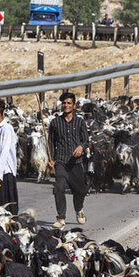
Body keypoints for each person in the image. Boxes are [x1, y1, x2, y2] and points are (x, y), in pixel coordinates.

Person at [48, 92, 89, 229]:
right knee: (59, 188)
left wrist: (81, 147)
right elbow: (50, 142)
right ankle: (60, 218)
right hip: (61, 162)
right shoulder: (55, 122)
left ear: (74, 105)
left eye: (69, 103)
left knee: (80, 191)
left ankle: (79, 209)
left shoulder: (80, 122)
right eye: (64, 103)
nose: (66, 105)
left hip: (76, 163)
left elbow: (85, 140)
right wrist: (51, 159)